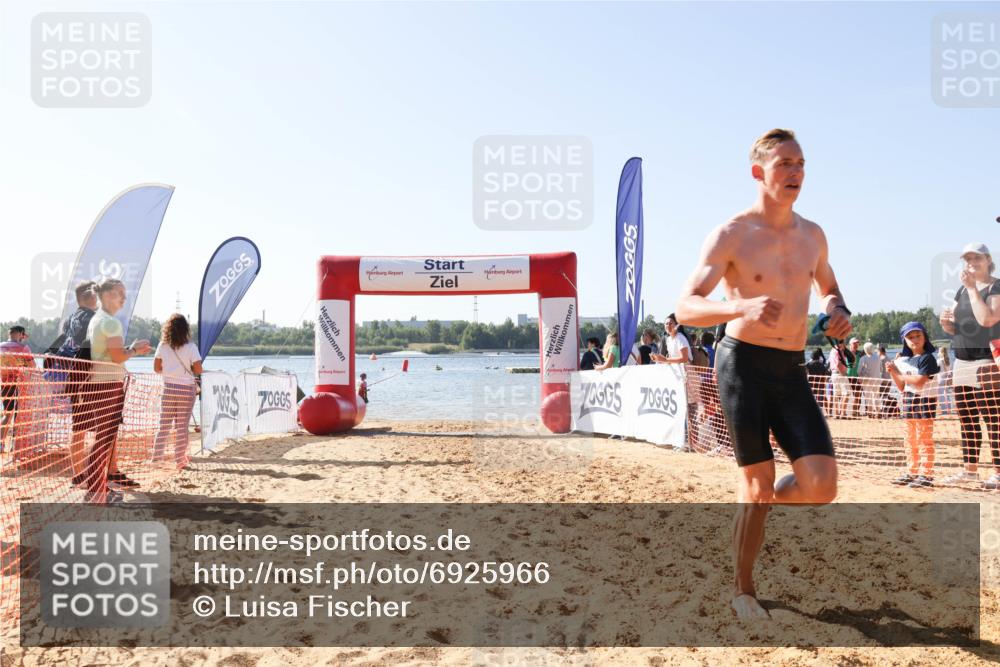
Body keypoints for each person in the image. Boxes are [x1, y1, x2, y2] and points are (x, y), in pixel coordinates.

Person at [675, 128, 850, 619]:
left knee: (822, 487)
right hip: (742, 366)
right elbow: (685, 308)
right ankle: (743, 590)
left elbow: (829, 286)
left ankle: (761, 501)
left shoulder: (812, 234)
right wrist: (740, 304)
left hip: (791, 368)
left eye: (801, 164)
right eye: (785, 164)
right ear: (759, 172)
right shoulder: (732, 234)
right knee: (756, 484)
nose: (796, 173)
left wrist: (836, 308)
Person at [79, 279, 152, 503]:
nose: (124, 298)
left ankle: (98, 489)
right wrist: (135, 349)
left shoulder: (97, 319)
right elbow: (118, 356)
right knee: (104, 439)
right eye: (120, 293)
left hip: (97, 383)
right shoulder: (110, 322)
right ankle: (96, 492)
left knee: (101, 438)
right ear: (108, 294)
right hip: (107, 384)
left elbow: (107, 355)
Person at [939, 243, 1000, 489]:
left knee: (993, 419)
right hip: (961, 361)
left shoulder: (995, 287)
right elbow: (954, 326)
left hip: (986, 361)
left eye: (976, 258)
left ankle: (998, 472)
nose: (971, 263)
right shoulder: (961, 291)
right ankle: (970, 471)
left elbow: (987, 319)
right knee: (967, 420)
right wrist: (946, 323)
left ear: (987, 260)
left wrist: (973, 288)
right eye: (967, 259)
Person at [46, 281, 98, 482]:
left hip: (73, 380)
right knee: (96, 429)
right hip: (87, 378)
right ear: (92, 298)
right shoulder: (93, 318)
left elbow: (54, 348)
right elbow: (91, 349)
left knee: (79, 428)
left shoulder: (70, 319)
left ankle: (78, 473)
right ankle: (90, 473)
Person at [886, 322, 940, 488]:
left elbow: (919, 382)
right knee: (909, 440)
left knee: (924, 440)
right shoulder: (904, 360)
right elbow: (902, 387)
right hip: (909, 403)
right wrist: (892, 372)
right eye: (910, 337)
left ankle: (926, 474)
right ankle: (912, 472)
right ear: (904, 340)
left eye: (918, 336)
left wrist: (897, 372)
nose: (914, 340)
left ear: (925, 337)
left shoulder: (928, 358)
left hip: (925, 402)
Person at [152, 314, 202, 467]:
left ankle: (156, 458)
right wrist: (188, 370)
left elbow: (156, 368)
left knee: (164, 425)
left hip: (168, 388)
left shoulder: (162, 345)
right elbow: (198, 368)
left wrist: (169, 373)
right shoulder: (191, 347)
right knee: (182, 426)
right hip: (186, 389)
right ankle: (179, 460)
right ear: (185, 329)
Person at [0, 326, 35, 451]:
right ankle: (15, 446)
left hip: (5, 383)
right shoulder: (23, 348)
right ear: (21, 334)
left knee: (7, 414)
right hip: (20, 384)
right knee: (19, 415)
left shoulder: (1, 346)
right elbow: (33, 366)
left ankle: (1, 443)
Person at [857, 342, 883, 417]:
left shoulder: (863, 358)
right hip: (877, 379)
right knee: (876, 396)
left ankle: (870, 412)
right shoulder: (878, 357)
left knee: (868, 397)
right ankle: (878, 412)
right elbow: (881, 369)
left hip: (866, 380)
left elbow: (858, 370)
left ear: (865, 349)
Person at [805, 347, 831, 413]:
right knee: (820, 401)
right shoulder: (821, 365)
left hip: (811, 384)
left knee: (810, 400)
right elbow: (826, 373)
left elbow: (805, 373)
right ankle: (820, 413)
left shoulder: (808, 364)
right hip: (820, 384)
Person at [829, 340, 851, 419]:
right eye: (844, 343)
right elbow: (838, 363)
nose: (845, 344)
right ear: (840, 343)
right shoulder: (839, 351)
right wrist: (843, 373)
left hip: (833, 374)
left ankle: (837, 413)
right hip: (840, 373)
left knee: (836, 394)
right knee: (847, 393)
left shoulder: (832, 350)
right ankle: (843, 412)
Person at [846, 337, 862, 418]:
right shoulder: (846, 353)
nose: (856, 345)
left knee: (858, 395)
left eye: (857, 343)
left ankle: (855, 412)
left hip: (857, 377)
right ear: (850, 344)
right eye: (854, 343)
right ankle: (842, 412)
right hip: (847, 377)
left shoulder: (860, 353)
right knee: (845, 395)